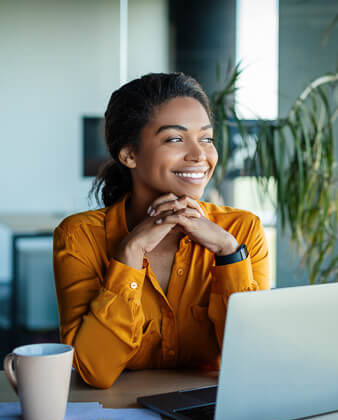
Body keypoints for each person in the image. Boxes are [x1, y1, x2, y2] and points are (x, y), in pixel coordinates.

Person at [53, 72, 270, 389]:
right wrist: (130, 254)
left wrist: (228, 254)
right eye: (175, 139)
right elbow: (93, 372)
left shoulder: (240, 231)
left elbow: (255, 361)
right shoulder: (78, 237)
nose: (199, 155)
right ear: (129, 154)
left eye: (206, 138)